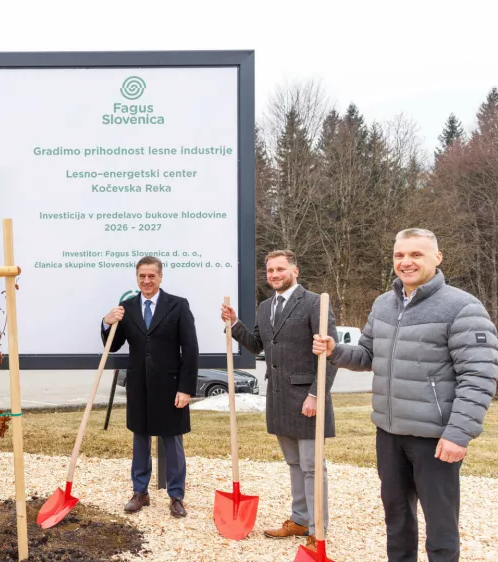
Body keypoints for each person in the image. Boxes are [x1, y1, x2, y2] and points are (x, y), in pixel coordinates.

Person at [313, 228, 498, 561]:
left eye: (416, 254)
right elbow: (368, 354)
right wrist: (335, 350)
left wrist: (458, 434)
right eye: (400, 255)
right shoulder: (384, 304)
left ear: (437, 258)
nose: (406, 262)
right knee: (397, 520)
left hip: (435, 438)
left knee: (440, 527)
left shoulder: (462, 307)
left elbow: (479, 376)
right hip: (389, 434)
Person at [220, 249, 338, 553]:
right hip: (279, 398)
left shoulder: (314, 303)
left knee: (312, 466)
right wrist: (234, 325)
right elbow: (258, 344)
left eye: (280, 269)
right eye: (270, 270)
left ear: (295, 271)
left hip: (307, 398)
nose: (274, 275)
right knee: (294, 464)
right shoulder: (265, 307)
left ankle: (317, 530)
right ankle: (299, 519)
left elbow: (331, 357)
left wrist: (315, 394)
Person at [101, 255, 199, 517]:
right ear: (137, 277)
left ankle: (176, 495)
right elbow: (113, 344)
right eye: (142, 276)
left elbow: (190, 349)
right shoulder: (127, 307)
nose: (147, 280)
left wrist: (186, 388)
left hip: (170, 386)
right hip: (139, 385)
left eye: (151, 276)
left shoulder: (177, 305)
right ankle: (139, 492)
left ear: (160, 277)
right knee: (140, 439)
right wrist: (106, 322)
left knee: (172, 442)